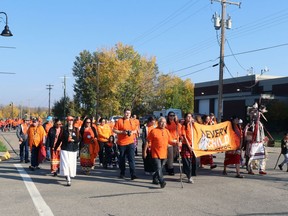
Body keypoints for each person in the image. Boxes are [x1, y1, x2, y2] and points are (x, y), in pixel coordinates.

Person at [143, 117, 179, 188]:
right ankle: (162, 181)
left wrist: (176, 143)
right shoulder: (153, 131)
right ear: (158, 123)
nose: (163, 124)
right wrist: (144, 152)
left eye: (164, 122)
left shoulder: (166, 131)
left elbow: (170, 141)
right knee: (158, 168)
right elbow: (147, 141)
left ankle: (155, 178)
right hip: (155, 153)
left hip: (164, 153)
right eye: (161, 122)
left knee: (159, 168)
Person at [113, 108, 138, 180]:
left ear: (130, 114)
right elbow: (114, 130)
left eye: (129, 113)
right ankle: (122, 173)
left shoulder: (132, 121)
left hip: (131, 142)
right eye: (126, 113)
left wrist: (131, 132)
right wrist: (122, 132)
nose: (127, 114)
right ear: (124, 113)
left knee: (131, 159)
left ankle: (133, 174)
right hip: (122, 143)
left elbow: (136, 130)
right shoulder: (120, 121)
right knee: (122, 159)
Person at [55, 116, 80, 186]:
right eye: (69, 120)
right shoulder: (63, 129)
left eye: (71, 120)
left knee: (71, 164)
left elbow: (79, 139)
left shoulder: (76, 129)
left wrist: (74, 140)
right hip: (65, 148)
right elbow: (60, 139)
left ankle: (69, 175)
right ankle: (68, 178)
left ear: (73, 121)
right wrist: (55, 147)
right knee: (66, 163)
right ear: (67, 121)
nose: (70, 121)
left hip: (73, 149)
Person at [165, 111, 182, 175]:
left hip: (176, 142)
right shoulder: (166, 124)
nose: (172, 117)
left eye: (173, 115)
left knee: (175, 155)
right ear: (168, 116)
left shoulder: (177, 124)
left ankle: (167, 164)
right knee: (170, 156)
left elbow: (180, 133)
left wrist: (180, 140)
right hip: (169, 142)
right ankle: (170, 169)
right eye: (170, 115)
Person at [181, 113, 195, 183]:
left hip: (193, 145)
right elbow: (184, 137)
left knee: (192, 161)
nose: (189, 118)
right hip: (186, 145)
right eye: (188, 117)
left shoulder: (193, 125)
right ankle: (189, 177)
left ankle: (188, 172)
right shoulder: (184, 125)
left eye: (190, 116)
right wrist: (189, 146)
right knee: (187, 161)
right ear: (185, 118)